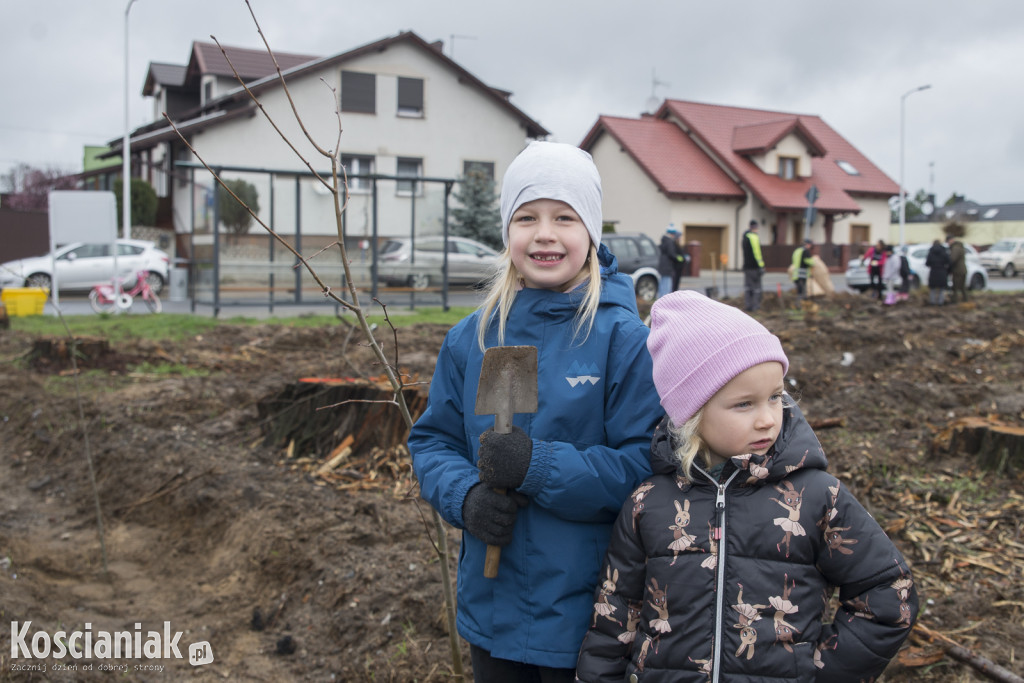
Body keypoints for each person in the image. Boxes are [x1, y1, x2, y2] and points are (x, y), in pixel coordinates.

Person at [408, 141, 664, 682]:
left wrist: (540, 467)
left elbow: (645, 468)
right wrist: (465, 497)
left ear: (591, 231)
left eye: (564, 217)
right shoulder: (473, 339)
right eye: (527, 217)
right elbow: (433, 443)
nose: (544, 233)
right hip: (492, 612)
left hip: (590, 619)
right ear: (507, 232)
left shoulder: (623, 340)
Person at [576, 291, 918, 682]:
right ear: (691, 414)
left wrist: (821, 672)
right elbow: (615, 614)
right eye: (744, 404)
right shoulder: (647, 504)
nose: (767, 419)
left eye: (775, 397)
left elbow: (890, 593)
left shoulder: (816, 497)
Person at [742, 219, 765, 312]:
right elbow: (757, 253)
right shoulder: (754, 237)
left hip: (747, 267)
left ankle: (748, 306)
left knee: (748, 287)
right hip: (754, 268)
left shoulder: (744, 237)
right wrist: (761, 266)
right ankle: (755, 306)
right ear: (754, 227)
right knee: (756, 288)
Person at [658, 224, 684, 298]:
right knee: (667, 285)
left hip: (662, 265)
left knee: (663, 284)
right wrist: (679, 258)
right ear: (672, 233)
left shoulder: (664, 240)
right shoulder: (669, 241)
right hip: (667, 266)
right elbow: (671, 254)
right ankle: (665, 300)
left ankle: (661, 299)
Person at [926, 238, 951, 306]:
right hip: (942, 272)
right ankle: (940, 302)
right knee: (941, 288)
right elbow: (948, 261)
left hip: (933, 271)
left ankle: (932, 302)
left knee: (932, 289)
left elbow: (927, 263)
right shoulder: (944, 251)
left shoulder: (931, 252)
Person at [790, 238, 815, 302]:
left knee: (799, 288)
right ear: (808, 244)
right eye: (810, 245)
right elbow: (808, 261)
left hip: (796, 272)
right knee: (802, 288)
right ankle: (802, 302)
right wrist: (813, 263)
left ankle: (799, 301)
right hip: (802, 272)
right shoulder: (805, 251)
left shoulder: (797, 250)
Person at [948, 234, 968, 302]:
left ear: (951, 240)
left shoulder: (955, 248)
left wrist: (949, 265)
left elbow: (953, 259)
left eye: (948, 242)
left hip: (958, 270)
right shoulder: (960, 247)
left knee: (955, 287)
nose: (948, 244)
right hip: (962, 269)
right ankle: (965, 300)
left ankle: (954, 301)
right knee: (962, 287)